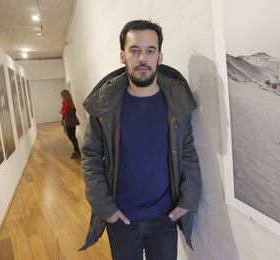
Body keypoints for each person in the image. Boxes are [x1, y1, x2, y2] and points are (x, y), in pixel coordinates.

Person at [80, 20, 201, 260]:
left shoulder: (176, 104)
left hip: (164, 219)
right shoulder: (105, 106)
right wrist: (107, 210)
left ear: (160, 57)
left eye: (150, 50)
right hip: (121, 220)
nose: (142, 58)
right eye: (134, 50)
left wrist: (188, 199)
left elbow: (187, 152)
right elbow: (91, 156)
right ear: (122, 56)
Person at [60, 89, 80, 158]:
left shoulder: (65, 103)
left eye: (62, 95)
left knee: (71, 137)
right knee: (73, 136)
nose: (61, 97)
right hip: (72, 122)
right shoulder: (70, 102)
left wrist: (61, 112)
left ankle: (77, 151)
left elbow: (65, 113)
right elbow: (73, 111)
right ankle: (76, 150)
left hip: (69, 122)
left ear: (64, 96)